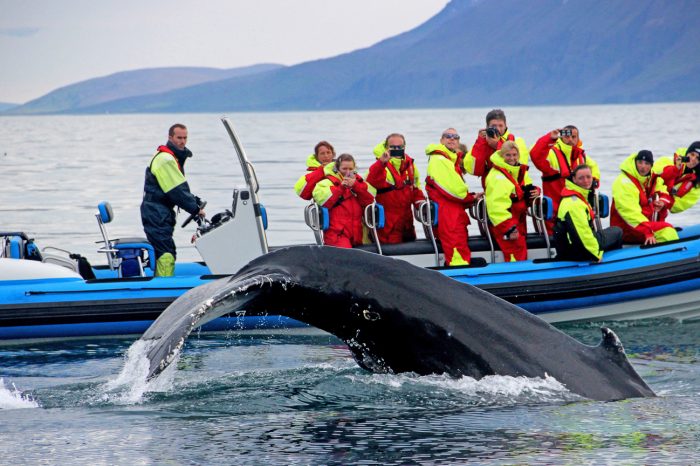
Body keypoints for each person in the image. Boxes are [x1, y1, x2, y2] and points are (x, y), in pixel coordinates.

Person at [141, 123, 205, 277]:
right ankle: (162, 288)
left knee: (165, 249)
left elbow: (179, 189)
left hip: (159, 212)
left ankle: (160, 279)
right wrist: (196, 209)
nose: (182, 142)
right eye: (179, 138)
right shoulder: (165, 159)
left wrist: (195, 202)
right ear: (170, 138)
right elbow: (177, 191)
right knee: (166, 253)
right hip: (156, 212)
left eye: (185, 138)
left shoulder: (171, 157)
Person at [425, 128, 482, 266]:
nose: (452, 139)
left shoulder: (448, 159)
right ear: (441, 140)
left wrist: (470, 198)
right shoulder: (440, 160)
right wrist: (471, 197)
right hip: (450, 217)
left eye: (455, 137)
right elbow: (455, 191)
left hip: (453, 214)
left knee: (459, 251)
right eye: (448, 136)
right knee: (456, 254)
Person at [530, 125, 600, 233]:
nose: (570, 139)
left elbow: (593, 167)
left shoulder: (581, 155)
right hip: (556, 214)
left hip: (579, 210)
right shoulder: (551, 153)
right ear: (561, 137)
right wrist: (550, 138)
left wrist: (594, 180)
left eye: (574, 136)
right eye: (567, 136)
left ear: (578, 138)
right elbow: (535, 155)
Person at [484, 141, 540, 262]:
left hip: (517, 221)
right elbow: (496, 207)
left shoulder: (515, 171)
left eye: (514, 155)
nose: (512, 158)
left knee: (519, 251)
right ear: (502, 156)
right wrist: (509, 228)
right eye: (508, 155)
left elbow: (523, 189)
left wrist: (535, 191)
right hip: (507, 224)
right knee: (515, 254)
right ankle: (518, 279)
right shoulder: (497, 177)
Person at [554, 164, 623, 262]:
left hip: (571, 245)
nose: (586, 181)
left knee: (612, 231)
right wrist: (595, 255)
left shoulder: (578, 196)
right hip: (574, 250)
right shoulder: (574, 204)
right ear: (574, 179)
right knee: (617, 232)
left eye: (588, 177)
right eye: (581, 178)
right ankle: (612, 266)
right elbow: (582, 234)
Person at [366, 133, 425, 243]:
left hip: (407, 222)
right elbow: (373, 180)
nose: (396, 149)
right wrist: (382, 162)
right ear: (386, 147)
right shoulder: (379, 166)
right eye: (393, 147)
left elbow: (416, 188)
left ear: (404, 147)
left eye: (399, 147)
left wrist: (421, 204)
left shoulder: (410, 165)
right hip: (388, 225)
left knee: (410, 242)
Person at [610, 150, 678, 245]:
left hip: (643, 225)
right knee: (668, 232)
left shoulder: (650, 178)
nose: (643, 166)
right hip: (628, 228)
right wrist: (647, 231)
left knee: (668, 229)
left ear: (651, 166)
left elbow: (663, 190)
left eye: (646, 163)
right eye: (640, 162)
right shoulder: (624, 182)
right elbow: (629, 213)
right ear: (635, 162)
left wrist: (662, 202)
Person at [312, 153, 375, 248]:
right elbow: (325, 202)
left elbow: (370, 199)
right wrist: (341, 188)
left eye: (350, 169)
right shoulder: (325, 183)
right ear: (337, 169)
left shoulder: (360, 183)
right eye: (344, 169)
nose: (348, 172)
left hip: (357, 234)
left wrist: (356, 185)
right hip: (337, 234)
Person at [465, 109, 530, 184]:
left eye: (500, 125)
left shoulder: (517, 141)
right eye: (494, 126)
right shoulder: (482, 143)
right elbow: (473, 170)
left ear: (506, 126)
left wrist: (497, 145)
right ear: (487, 127)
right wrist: (480, 141)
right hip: (493, 189)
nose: (498, 129)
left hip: (517, 188)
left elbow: (517, 168)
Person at [652, 141, 700, 220]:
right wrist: (676, 169)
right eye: (692, 154)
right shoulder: (666, 161)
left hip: (661, 208)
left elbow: (681, 205)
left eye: (698, 158)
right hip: (647, 196)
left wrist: (664, 202)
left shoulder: (697, 182)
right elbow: (652, 178)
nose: (693, 159)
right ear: (687, 153)